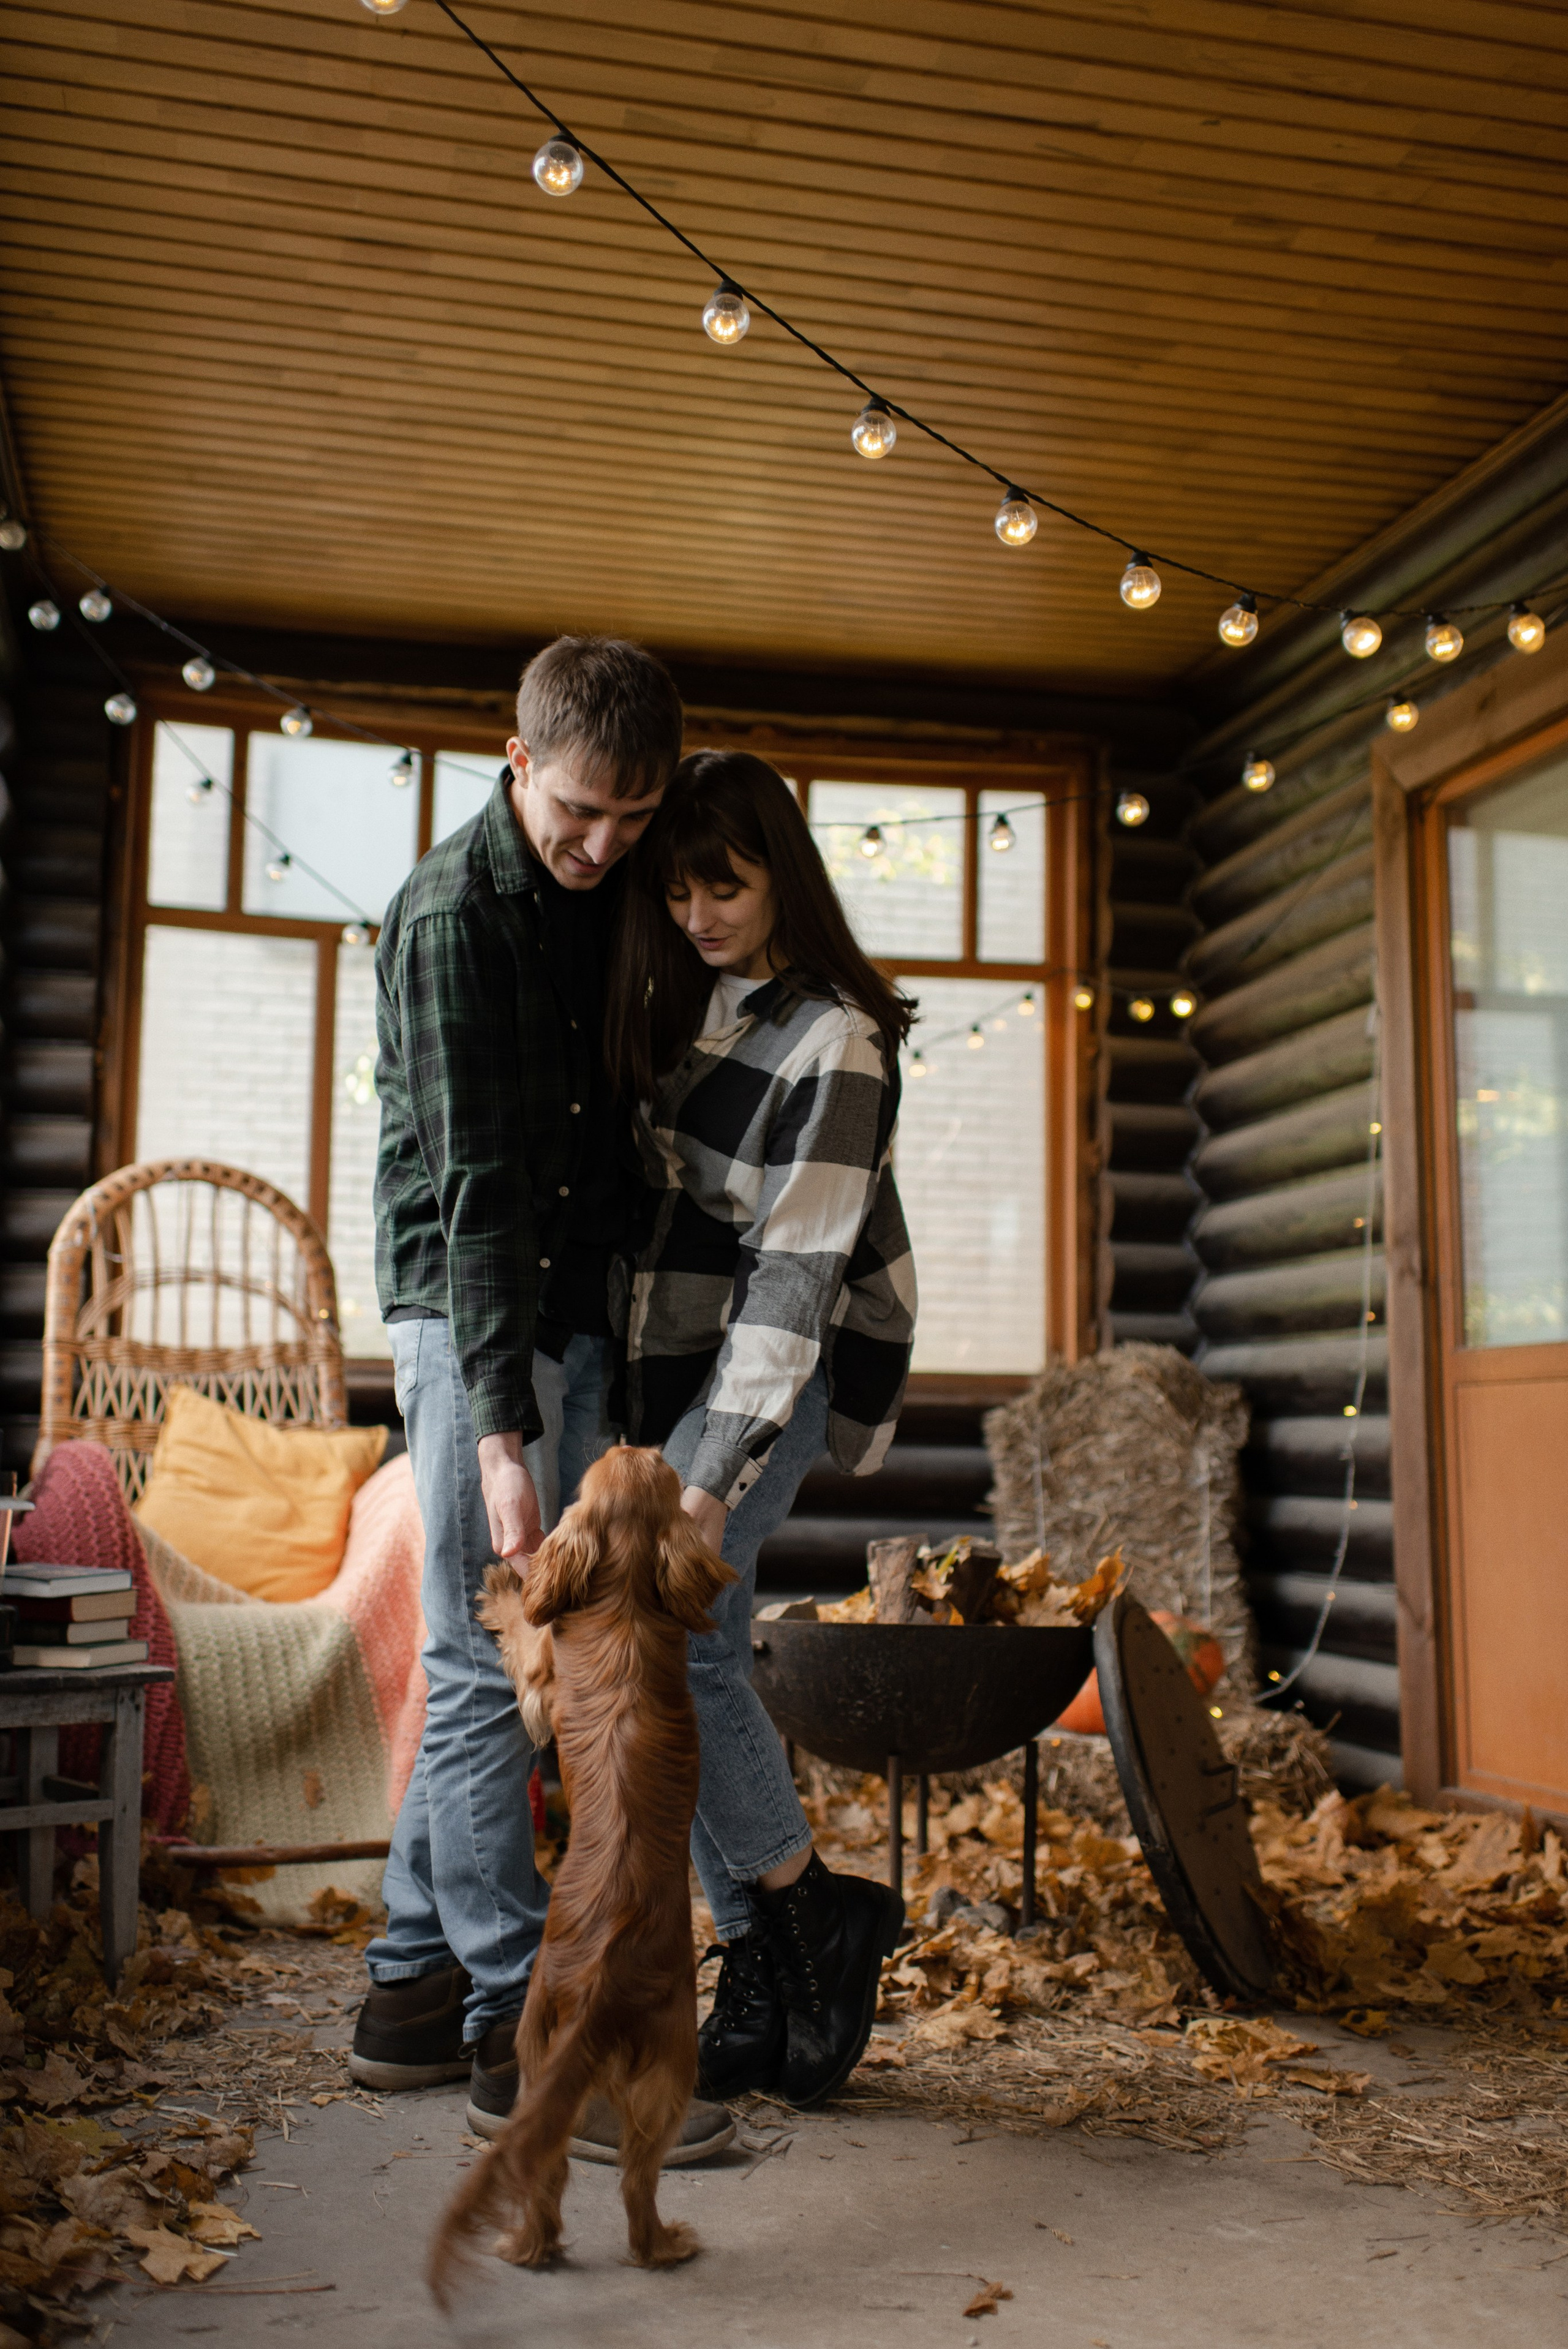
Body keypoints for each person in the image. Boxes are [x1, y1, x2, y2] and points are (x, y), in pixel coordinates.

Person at [350, 636, 730, 2162]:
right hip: (470, 1314)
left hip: (565, 1306)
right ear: (515, 761)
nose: (604, 846)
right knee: (475, 1656)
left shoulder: (608, 884)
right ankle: (528, 2029)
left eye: (633, 819)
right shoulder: (454, 913)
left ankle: (405, 1988)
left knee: (521, 1650)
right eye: (579, 811)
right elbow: (480, 1191)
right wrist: (498, 1428)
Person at [606, 747, 918, 2108]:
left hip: (786, 1366)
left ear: (781, 874)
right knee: (689, 1647)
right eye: (676, 891)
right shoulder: (689, 1005)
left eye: (723, 887)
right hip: (679, 1365)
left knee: (668, 1637)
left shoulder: (836, 1039)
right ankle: (767, 1965)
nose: (697, 915)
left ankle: (804, 1918)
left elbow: (795, 1279)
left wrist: (712, 1477)